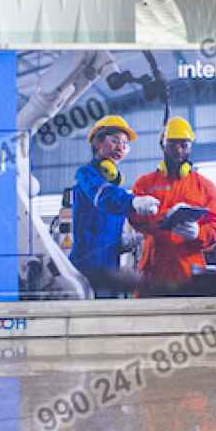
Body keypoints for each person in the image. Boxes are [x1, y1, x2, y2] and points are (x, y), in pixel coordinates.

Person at [130, 117, 216, 296]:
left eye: (184, 144)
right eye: (172, 144)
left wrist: (199, 233)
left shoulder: (204, 186)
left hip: (189, 272)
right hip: (153, 272)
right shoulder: (145, 183)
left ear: (191, 146)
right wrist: (159, 219)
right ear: (162, 144)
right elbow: (134, 218)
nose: (178, 150)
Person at [70, 115, 159, 297]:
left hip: (109, 270)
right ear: (97, 143)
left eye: (125, 144)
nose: (121, 147)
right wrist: (132, 201)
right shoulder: (86, 174)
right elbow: (104, 197)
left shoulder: (113, 186)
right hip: (87, 270)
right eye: (115, 141)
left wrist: (123, 242)